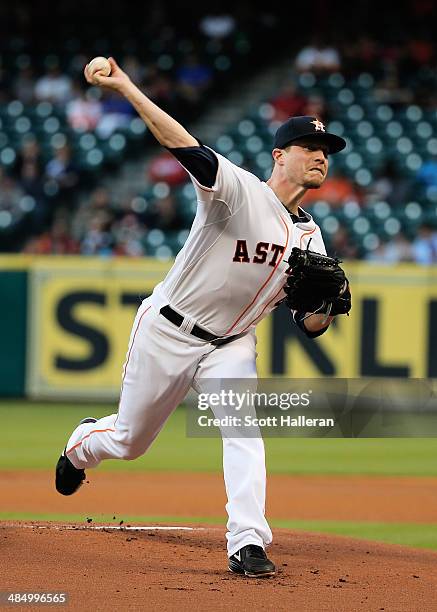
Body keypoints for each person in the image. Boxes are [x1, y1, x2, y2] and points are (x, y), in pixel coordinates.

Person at [55, 57, 350, 578]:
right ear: (279, 156)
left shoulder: (313, 238)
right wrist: (125, 86)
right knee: (129, 441)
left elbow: (309, 326)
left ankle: (247, 543)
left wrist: (326, 304)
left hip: (232, 343)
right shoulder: (237, 191)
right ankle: (82, 446)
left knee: (244, 432)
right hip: (170, 327)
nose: (321, 157)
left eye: (326, 151)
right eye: (310, 148)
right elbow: (182, 143)